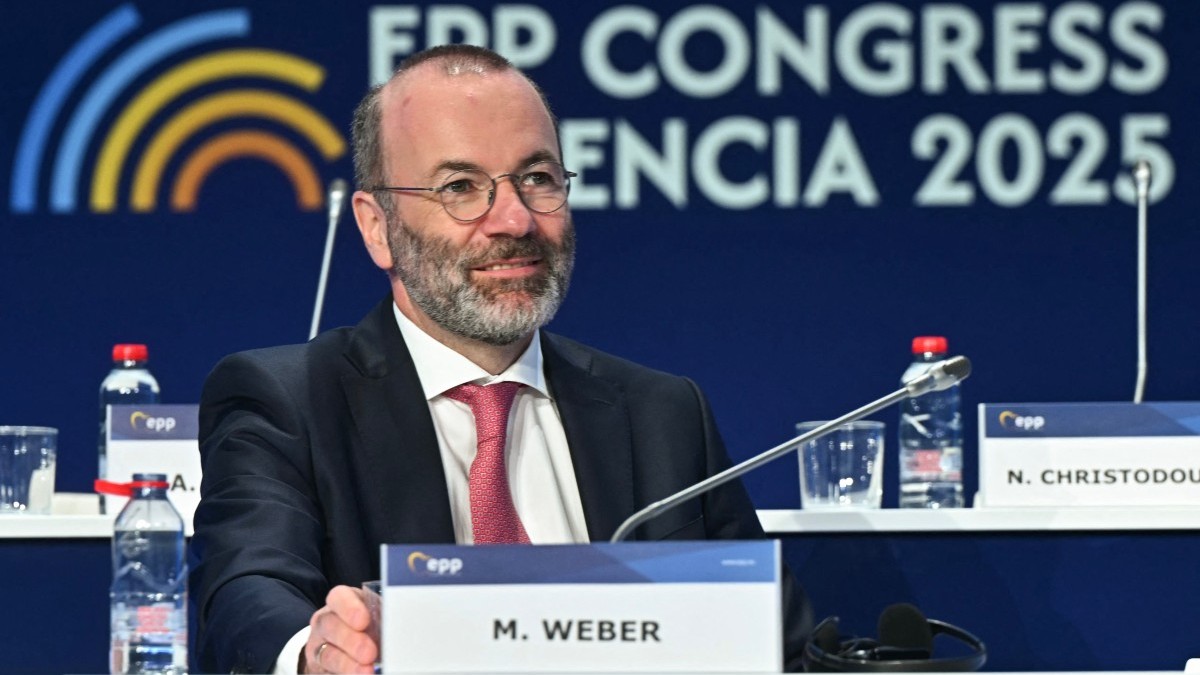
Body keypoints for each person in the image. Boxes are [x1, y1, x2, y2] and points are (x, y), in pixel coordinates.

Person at [189, 44, 812, 674]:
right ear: (378, 227)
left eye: (537, 178)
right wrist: (315, 654)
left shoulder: (662, 411)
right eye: (461, 187)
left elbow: (776, 643)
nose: (513, 219)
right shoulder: (289, 401)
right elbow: (247, 591)